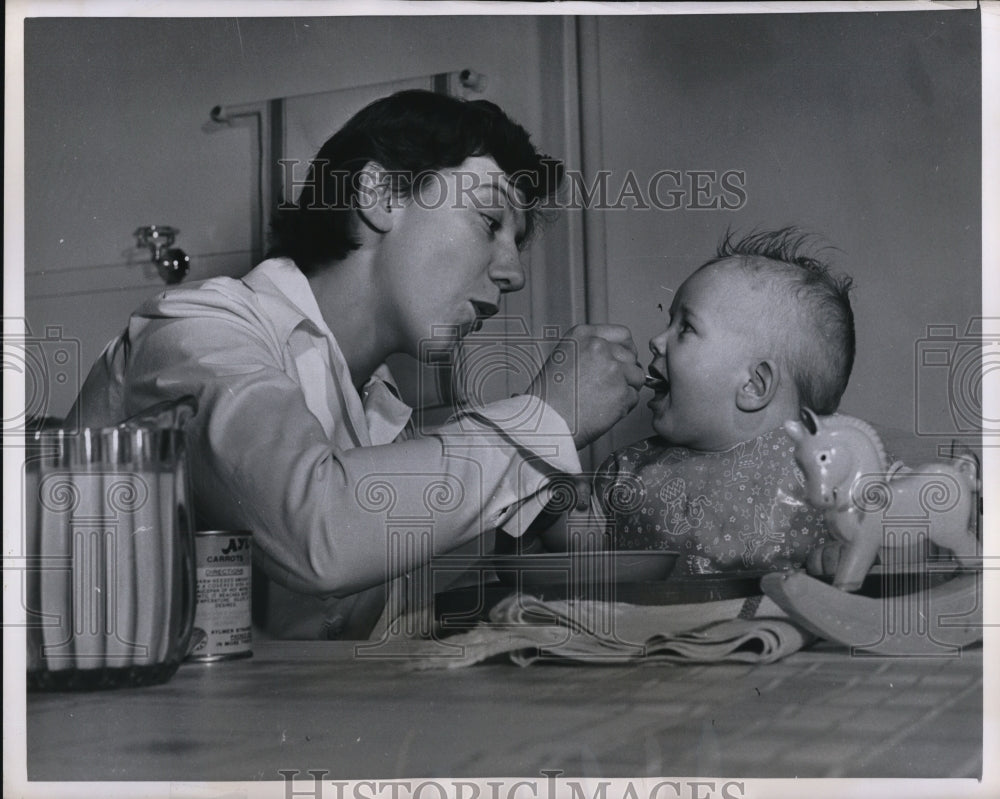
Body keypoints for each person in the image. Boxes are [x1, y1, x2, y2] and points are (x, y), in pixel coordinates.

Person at [69, 90, 644, 637]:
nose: (513, 273)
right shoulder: (198, 329)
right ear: (381, 195)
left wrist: (526, 519)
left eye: (517, 243)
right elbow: (318, 530)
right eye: (489, 223)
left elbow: (353, 598)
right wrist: (541, 422)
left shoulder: (378, 405)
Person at [535, 228, 856, 576]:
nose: (656, 341)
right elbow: (581, 546)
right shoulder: (626, 469)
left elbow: (905, 525)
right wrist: (551, 498)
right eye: (668, 322)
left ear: (753, 384)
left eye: (685, 327)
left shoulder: (827, 467)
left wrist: (854, 554)